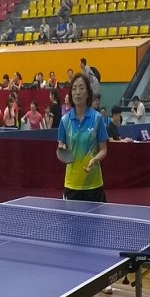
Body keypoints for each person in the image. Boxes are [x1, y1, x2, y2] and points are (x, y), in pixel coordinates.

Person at [57, 73, 108, 203]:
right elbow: (61, 145)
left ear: (88, 93)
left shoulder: (97, 118)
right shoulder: (65, 120)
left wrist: (94, 160)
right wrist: (61, 149)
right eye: (74, 89)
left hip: (93, 183)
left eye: (81, 88)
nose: (77, 92)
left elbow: (103, 150)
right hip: (72, 183)